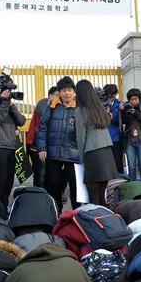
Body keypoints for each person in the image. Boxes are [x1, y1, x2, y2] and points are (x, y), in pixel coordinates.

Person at [37, 76, 80, 210]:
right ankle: (56, 211)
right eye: (63, 90)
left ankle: (77, 212)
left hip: (74, 153)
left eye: (69, 90)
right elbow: (42, 127)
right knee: (53, 182)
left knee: (75, 184)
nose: (67, 93)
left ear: (74, 91)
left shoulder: (79, 107)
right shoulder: (52, 107)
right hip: (54, 152)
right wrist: (41, 149)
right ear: (59, 92)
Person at [75, 79, 118, 205]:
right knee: (101, 197)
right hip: (107, 153)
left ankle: (95, 223)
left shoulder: (80, 111)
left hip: (92, 154)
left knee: (93, 199)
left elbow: (81, 138)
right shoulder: (100, 108)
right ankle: (105, 222)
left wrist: (82, 160)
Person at [0, 80, 26, 207]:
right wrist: (3, 103)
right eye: (6, 90)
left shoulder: (8, 105)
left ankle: (2, 207)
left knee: (8, 181)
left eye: (10, 91)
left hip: (10, 146)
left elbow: (21, 121)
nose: (9, 93)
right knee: (0, 180)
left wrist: (11, 106)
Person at [26, 86, 59, 188]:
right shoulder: (43, 104)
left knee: (50, 173)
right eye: (57, 95)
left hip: (49, 144)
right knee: (40, 173)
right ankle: (38, 194)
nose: (59, 98)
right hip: (35, 144)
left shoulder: (57, 107)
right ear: (50, 96)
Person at [121, 88, 141, 180]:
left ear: (139, 99)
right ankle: (133, 188)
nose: (133, 101)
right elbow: (123, 121)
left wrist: (136, 113)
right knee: (131, 167)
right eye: (131, 99)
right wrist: (122, 111)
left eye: (135, 99)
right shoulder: (127, 108)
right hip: (129, 142)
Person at [104, 84, 124, 173]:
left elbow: (121, 121)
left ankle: (120, 180)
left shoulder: (120, 104)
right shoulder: (101, 104)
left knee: (117, 161)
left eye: (112, 94)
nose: (110, 96)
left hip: (115, 137)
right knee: (106, 162)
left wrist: (113, 118)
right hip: (104, 137)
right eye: (108, 94)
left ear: (116, 93)